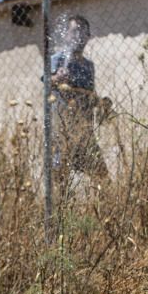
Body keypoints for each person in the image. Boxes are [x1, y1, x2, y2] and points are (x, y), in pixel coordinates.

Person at [49, 15, 111, 190]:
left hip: (85, 133)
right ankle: (58, 215)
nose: (79, 36)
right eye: (75, 30)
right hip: (63, 132)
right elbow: (46, 84)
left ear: (88, 37)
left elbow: (89, 94)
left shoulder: (88, 66)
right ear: (66, 35)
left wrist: (101, 104)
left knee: (103, 179)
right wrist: (56, 78)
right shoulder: (57, 59)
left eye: (84, 32)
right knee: (60, 183)